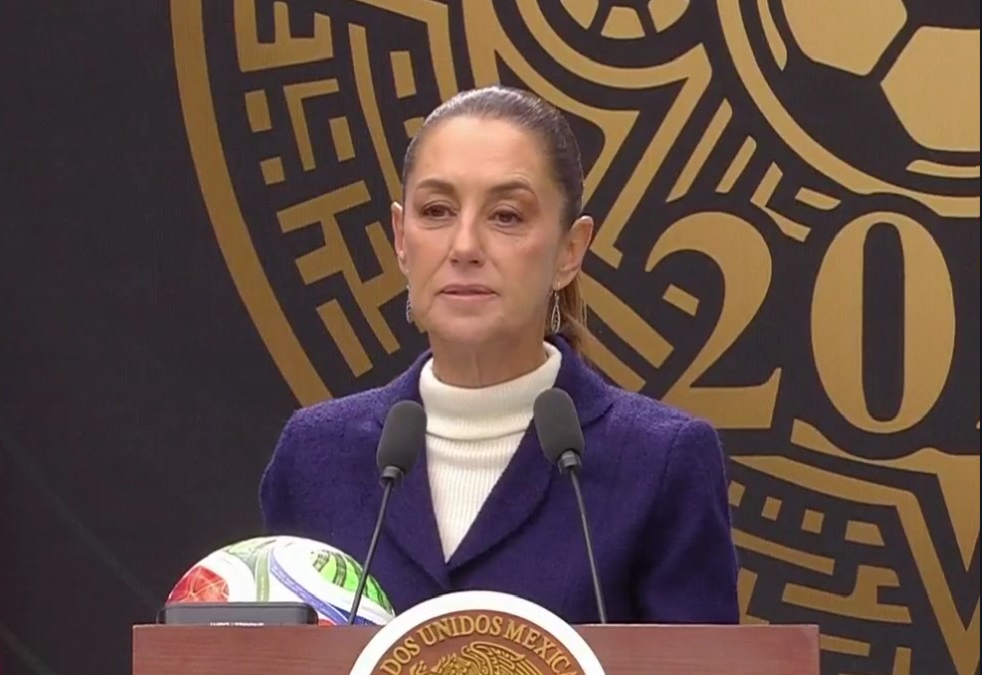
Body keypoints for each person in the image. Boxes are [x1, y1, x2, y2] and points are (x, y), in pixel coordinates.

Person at [259, 85, 739, 624]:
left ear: (570, 250)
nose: (464, 246)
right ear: (400, 238)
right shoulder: (316, 457)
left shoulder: (661, 462)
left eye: (506, 216)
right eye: (437, 211)